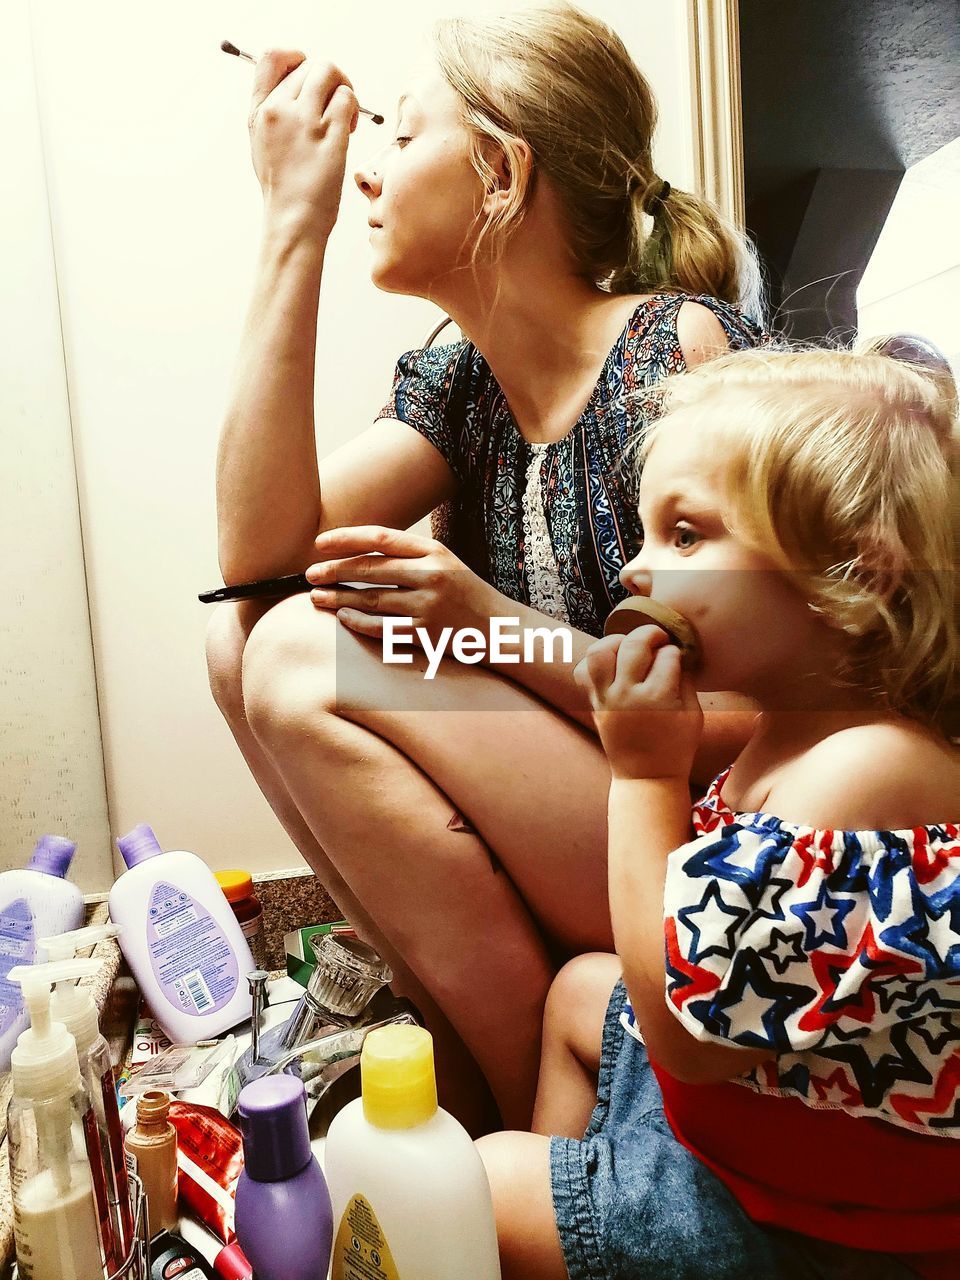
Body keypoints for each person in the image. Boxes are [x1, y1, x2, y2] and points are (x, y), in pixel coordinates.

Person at [206, 3, 765, 1134]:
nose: (369, 172)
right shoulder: (460, 385)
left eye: (401, 138)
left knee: (299, 654)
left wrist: (487, 626)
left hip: (709, 846)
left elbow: (754, 715)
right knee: (242, 639)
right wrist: (289, 230)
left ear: (504, 171)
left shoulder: (681, 354)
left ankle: (528, 1108)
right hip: (582, 810)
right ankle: (463, 1038)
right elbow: (252, 562)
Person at [476, 343, 960, 1278]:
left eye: (686, 535)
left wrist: (646, 774)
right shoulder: (803, 728)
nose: (635, 571)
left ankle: (575, 1217)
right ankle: (591, 1212)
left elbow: (691, 1043)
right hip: (763, 1128)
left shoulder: (870, 774)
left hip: (820, 1226)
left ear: (854, 575)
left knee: (487, 1181)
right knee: (580, 989)